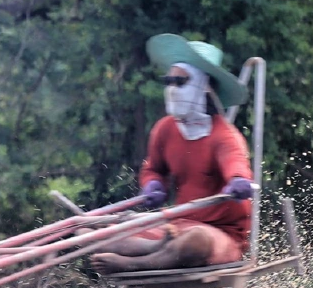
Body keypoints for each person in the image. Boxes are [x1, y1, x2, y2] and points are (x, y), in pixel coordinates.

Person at [91, 34, 255, 275]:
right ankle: (156, 247)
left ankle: (138, 262)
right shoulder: (165, 129)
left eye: (180, 82)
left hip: (219, 234)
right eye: (168, 81)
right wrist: (153, 184)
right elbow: (152, 168)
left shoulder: (224, 136)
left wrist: (239, 180)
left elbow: (236, 163)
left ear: (203, 86)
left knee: (195, 241)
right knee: (90, 233)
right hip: (177, 226)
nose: (171, 89)